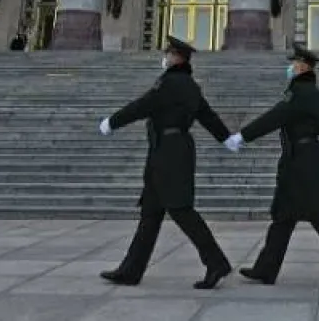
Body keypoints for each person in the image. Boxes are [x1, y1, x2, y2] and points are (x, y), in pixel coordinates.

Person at [226, 43, 319, 291]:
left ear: (303, 67)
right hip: (299, 159)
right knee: (283, 216)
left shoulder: (301, 92)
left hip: (304, 162)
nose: (290, 67)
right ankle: (266, 269)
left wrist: (243, 136)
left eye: (294, 64)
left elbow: (276, 116)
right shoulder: (310, 92)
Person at [96, 36, 233, 289]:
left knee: (181, 210)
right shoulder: (190, 85)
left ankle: (216, 262)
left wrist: (112, 122)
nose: (165, 57)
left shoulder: (170, 83)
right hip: (170, 150)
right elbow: (207, 115)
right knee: (150, 214)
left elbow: (143, 106)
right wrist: (226, 138)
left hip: (170, 153)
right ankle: (130, 270)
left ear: (177, 58)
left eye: (168, 53)